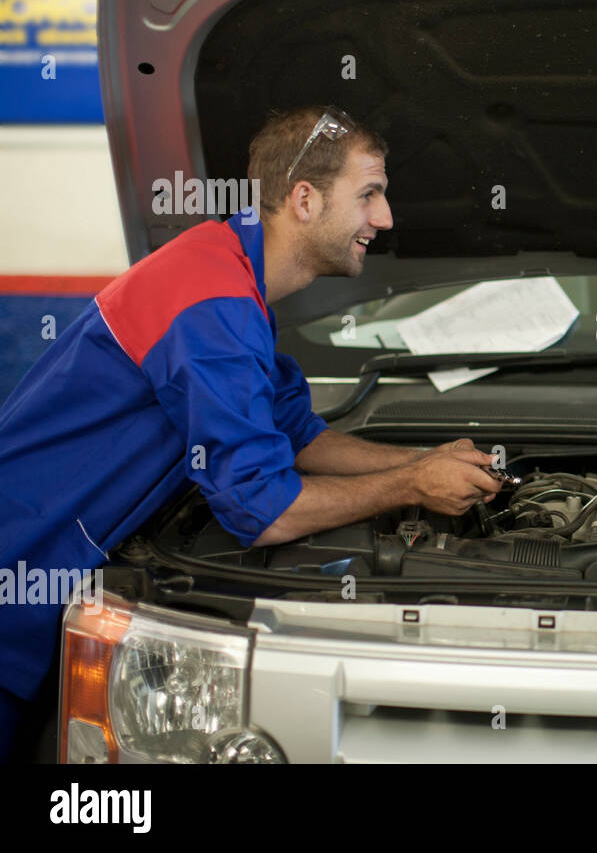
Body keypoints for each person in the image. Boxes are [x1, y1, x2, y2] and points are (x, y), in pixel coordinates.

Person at [0, 106, 502, 760]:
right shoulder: (212, 304)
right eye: (369, 195)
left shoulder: (228, 279)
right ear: (304, 198)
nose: (384, 220)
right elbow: (261, 512)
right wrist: (410, 483)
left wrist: (428, 460)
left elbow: (297, 437)